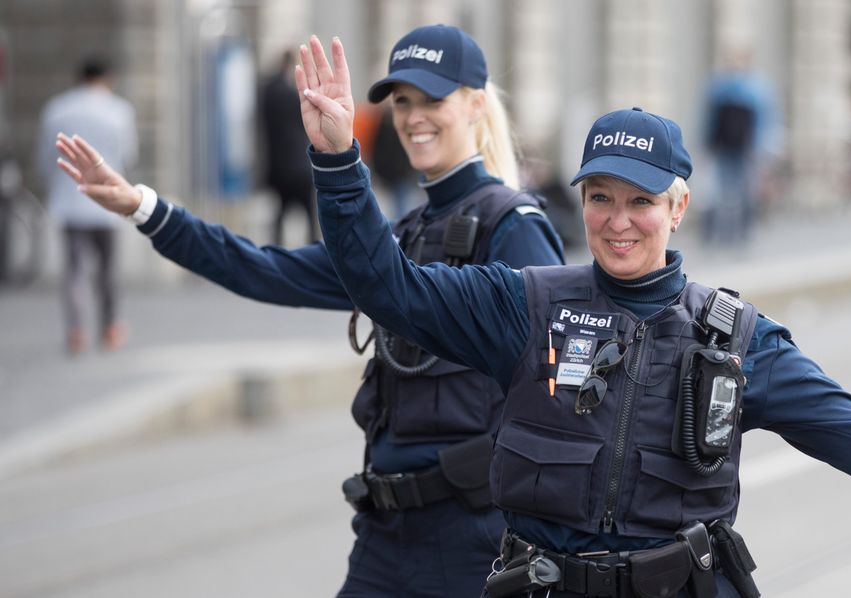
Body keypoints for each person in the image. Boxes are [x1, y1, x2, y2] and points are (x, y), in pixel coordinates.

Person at [297, 36, 851, 597]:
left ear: (680, 206)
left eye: (641, 202)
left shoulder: (735, 338)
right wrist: (339, 161)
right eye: (600, 199)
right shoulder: (526, 303)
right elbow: (387, 285)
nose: (618, 220)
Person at [55, 25, 564, 598]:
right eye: (402, 102)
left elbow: (555, 394)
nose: (413, 117)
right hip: (386, 530)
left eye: (432, 100)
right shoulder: (398, 235)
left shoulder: (512, 226)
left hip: (473, 536)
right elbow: (266, 269)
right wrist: (143, 206)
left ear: (475, 104)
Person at [36, 57, 138, 354]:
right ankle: (109, 326)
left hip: (70, 198)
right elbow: (128, 155)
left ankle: (76, 331)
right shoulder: (119, 110)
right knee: (107, 271)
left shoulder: (56, 108)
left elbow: (45, 156)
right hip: (108, 201)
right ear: (108, 77)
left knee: (74, 271)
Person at [702, 49, 778, 246]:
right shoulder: (754, 87)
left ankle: (734, 232)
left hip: (742, 148)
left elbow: (764, 120)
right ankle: (730, 232)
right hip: (735, 148)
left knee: (739, 190)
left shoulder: (721, 85)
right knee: (726, 190)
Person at [260, 49, 318, 245]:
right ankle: (314, 248)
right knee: (309, 214)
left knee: (281, 213)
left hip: (278, 165)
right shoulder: (290, 93)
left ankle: (276, 249)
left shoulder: (268, 90)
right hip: (297, 165)